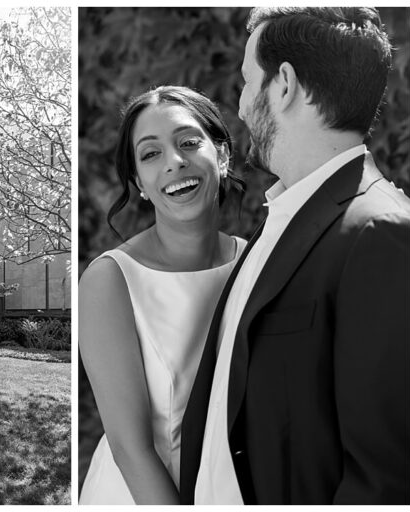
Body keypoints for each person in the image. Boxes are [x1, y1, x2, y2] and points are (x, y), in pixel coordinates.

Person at [180, 7, 410, 505]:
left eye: (247, 81)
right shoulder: (286, 216)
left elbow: (382, 484)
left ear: (283, 85)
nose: (239, 107)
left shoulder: (380, 232)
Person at [79, 86, 247, 505]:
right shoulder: (110, 279)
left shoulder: (256, 259)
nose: (174, 162)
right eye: (151, 154)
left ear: (222, 156)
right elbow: (130, 448)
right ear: (138, 182)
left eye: (189, 143)